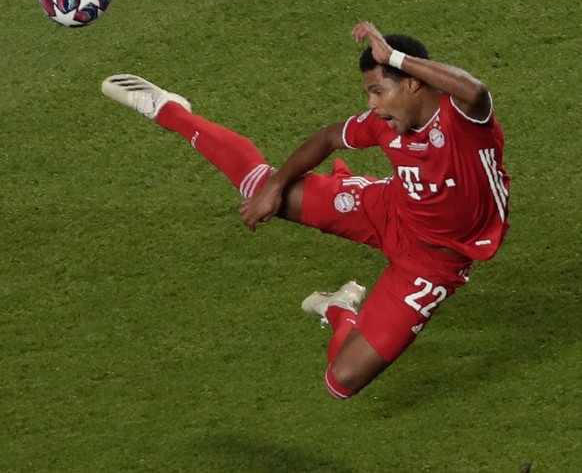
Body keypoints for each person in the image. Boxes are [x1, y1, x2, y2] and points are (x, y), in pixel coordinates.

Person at [101, 21, 510, 400]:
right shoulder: (384, 123)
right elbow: (331, 137)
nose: (372, 104)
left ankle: (338, 307)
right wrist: (275, 188)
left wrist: (395, 57)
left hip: (431, 265)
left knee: (341, 382)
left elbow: (475, 90)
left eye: (378, 90)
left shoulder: (463, 121)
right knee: (261, 186)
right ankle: (168, 109)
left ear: (414, 84)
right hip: (387, 208)